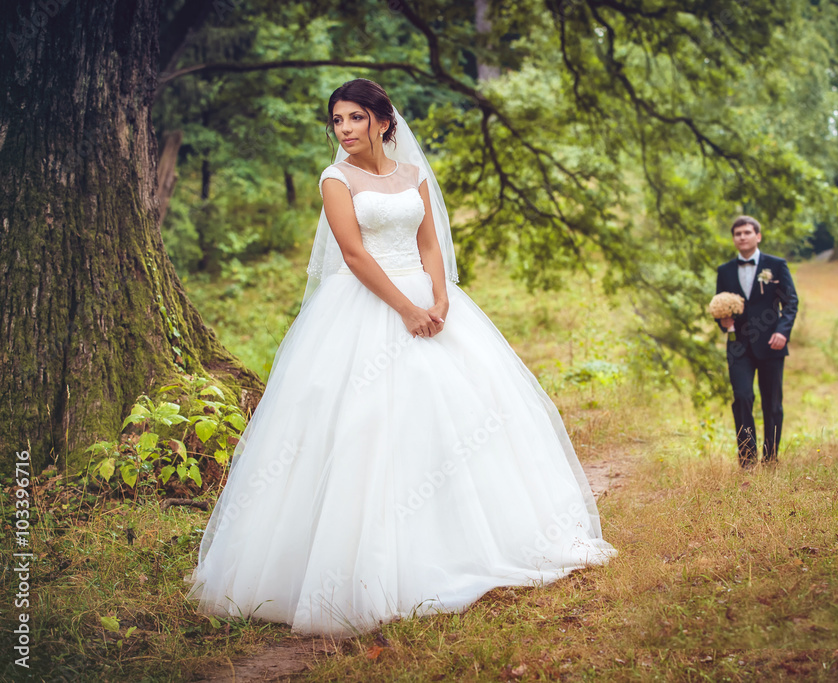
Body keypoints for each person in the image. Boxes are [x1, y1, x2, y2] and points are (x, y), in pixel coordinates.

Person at [184, 79, 616, 637]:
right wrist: (405, 311)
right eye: (337, 120)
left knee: (455, 417)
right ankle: (356, 566)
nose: (344, 129)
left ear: (383, 122)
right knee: (363, 426)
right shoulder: (335, 179)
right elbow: (355, 254)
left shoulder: (413, 177)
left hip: (427, 299)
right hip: (364, 306)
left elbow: (430, 244)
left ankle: (464, 539)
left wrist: (438, 299)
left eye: (355, 118)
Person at [714, 216, 798, 468]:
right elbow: (719, 307)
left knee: (772, 403)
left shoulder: (776, 265)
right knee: (742, 397)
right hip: (739, 346)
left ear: (758, 236)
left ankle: (770, 458)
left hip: (772, 344)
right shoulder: (725, 271)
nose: (742, 236)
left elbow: (791, 302)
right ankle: (747, 460)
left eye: (747, 232)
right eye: (738, 233)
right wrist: (722, 323)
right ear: (734, 239)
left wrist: (783, 331)